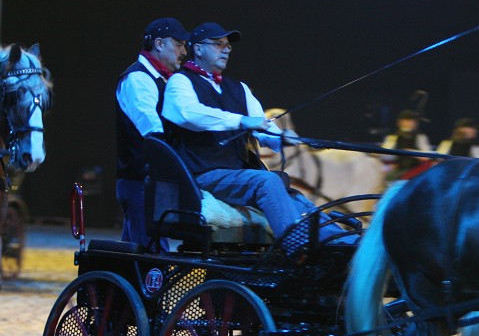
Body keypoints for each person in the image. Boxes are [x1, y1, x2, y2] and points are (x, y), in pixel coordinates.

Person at [161, 22, 351, 244]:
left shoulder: (238, 88)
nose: (226, 49)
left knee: (295, 198)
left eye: (228, 46)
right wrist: (242, 121)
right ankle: (297, 248)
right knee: (267, 181)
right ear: (198, 49)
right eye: (218, 44)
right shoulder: (180, 81)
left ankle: (340, 244)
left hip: (237, 175)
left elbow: (263, 128)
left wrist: (282, 138)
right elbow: (188, 115)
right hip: (201, 174)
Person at [115, 17, 189, 249]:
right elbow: (154, 133)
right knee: (150, 257)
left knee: (135, 255)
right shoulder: (138, 79)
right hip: (140, 182)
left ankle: (116, 284)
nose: (184, 51)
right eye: (179, 44)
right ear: (159, 44)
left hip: (150, 182)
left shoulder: (162, 80)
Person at [381, 109, 431, 182]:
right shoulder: (393, 137)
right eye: (406, 120)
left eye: (411, 121)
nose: (409, 123)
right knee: (389, 177)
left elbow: (426, 155)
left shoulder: (420, 136)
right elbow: (385, 154)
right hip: (399, 168)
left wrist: (412, 152)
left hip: (416, 168)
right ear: (400, 122)